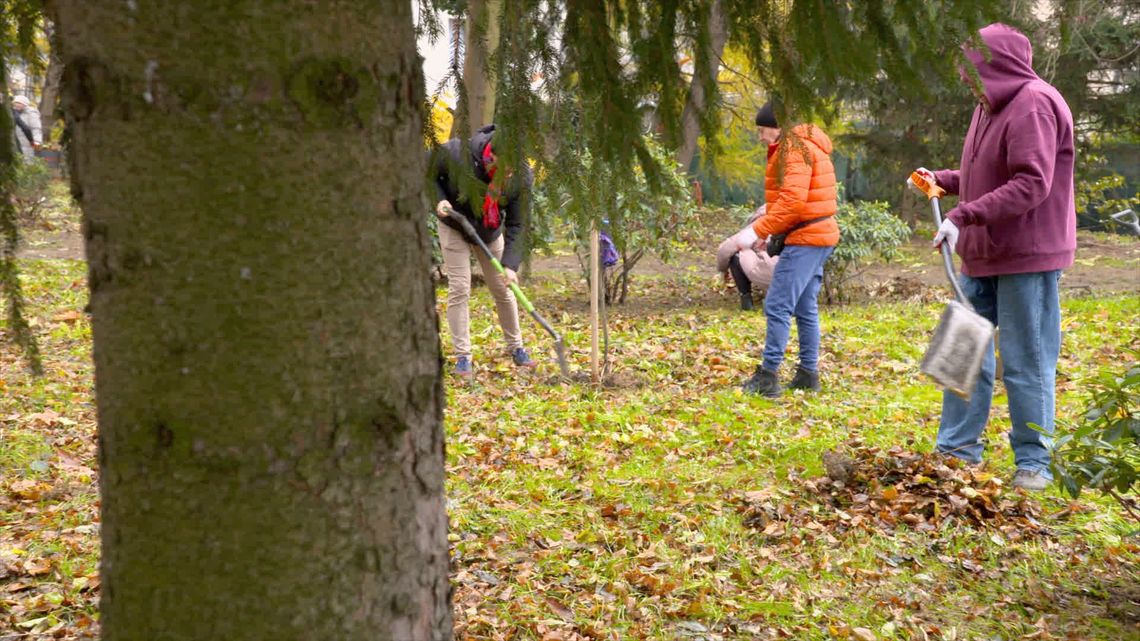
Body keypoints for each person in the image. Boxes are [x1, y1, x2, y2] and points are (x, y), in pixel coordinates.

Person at [913, 23, 1075, 492]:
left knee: (1026, 360)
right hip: (983, 255)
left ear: (995, 63)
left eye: (971, 68)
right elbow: (984, 172)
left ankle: (1034, 462)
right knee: (960, 352)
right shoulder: (988, 106)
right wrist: (943, 179)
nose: (965, 78)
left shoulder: (1035, 104)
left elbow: (1031, 182)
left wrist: (963, 216)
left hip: (1028, 255)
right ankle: (956, 453)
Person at [739, 101, 839, 397]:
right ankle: (808, 374)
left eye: (762, 130)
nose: (760, 137)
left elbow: (793, 202)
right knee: (805, 307)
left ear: (777, 127)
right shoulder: (802, 145)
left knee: (778, 304)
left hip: (806, 238)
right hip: (815, 233)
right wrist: (772, 232)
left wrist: (757, 229)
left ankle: (768, 377)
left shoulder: (794, 150)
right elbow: (795, 201)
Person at [427, 124, 535, 377]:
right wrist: (438, 198)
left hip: (489, 230)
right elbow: (427, 172)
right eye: (503, 167)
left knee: (503, 287)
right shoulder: (457, 152)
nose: (507, 174)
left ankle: (516, 347)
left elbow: (518, 223)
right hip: (454, 224)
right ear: (491, 154)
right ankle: (463, 356)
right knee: (460, 287)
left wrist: (510, 265)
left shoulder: (521, 176)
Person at [715, 204, 778, 311]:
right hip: (795, 276)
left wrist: (722, 271)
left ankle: (746, 298)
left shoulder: (759, 224)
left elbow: (724, 250)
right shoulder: (794, 222)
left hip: (769, 275)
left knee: (736, 254)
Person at [10, 95, 42, 161]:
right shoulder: (14, 112)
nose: (16, 105)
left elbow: (36, 128)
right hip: (16, 143)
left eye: (19, 103)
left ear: (25, 104)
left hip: (27, 144)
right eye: (15, 103)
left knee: (27, 161)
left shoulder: (31, 114)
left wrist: (37, 142)